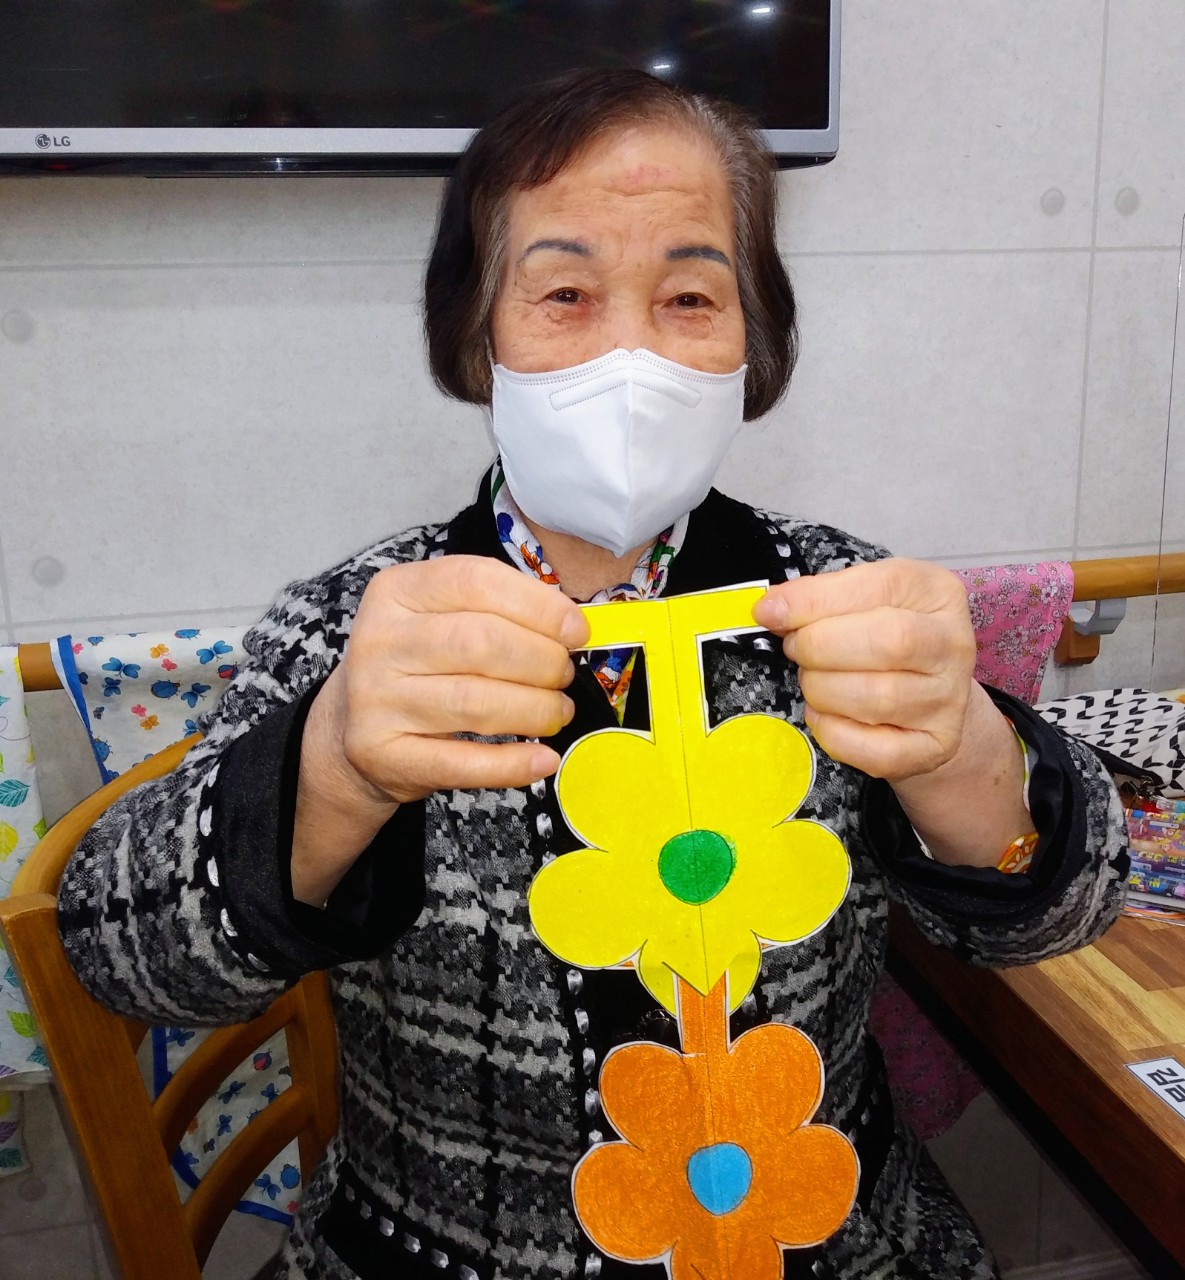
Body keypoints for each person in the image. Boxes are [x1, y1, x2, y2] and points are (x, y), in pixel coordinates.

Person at [59, 69, 1129, 1280]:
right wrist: (334, 768)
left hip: (832, 1242)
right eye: (565, 293)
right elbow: (116, 953)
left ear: (752, 341)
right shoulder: (359, 631)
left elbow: (1077, 908)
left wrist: (971, 750)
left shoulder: (841, 603)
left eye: (689, 296)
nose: (631, 352)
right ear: (478, 334)